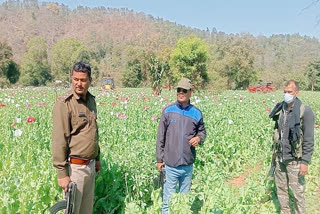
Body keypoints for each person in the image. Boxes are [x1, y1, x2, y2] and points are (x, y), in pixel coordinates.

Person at [52, 62, 101, 214]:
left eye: (83, 80)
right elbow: (59, 140)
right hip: (75, 170)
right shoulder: (64, 104)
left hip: (90, 167)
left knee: (86, 211)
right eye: (75, 79)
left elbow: (93, 131)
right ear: (71, 79)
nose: (78, 83)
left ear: (90, 81)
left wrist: (97, 158)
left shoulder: (91, 101)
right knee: (73, 211)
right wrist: (62, 174)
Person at [156, 77, 206, 214]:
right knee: (168, 202)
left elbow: (202, 132)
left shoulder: (197, 113)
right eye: (179, 90)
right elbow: (160, 136)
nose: (181, 92)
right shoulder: (168, 111)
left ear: (191, 92)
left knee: (184, 202)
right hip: (171, 165)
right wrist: (159, 159)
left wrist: (198, 138)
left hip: (187, 166)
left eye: (184, 90)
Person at [269, 80, 314, 214]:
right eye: (285, 92)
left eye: (290, 92)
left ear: (296, 93)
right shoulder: (280, 108)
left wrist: (305, 162)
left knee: (298, 194)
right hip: (280, 158)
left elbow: (309, 138)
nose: (287, 95)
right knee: (281, 191)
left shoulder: (305, 111)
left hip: (295, 160)